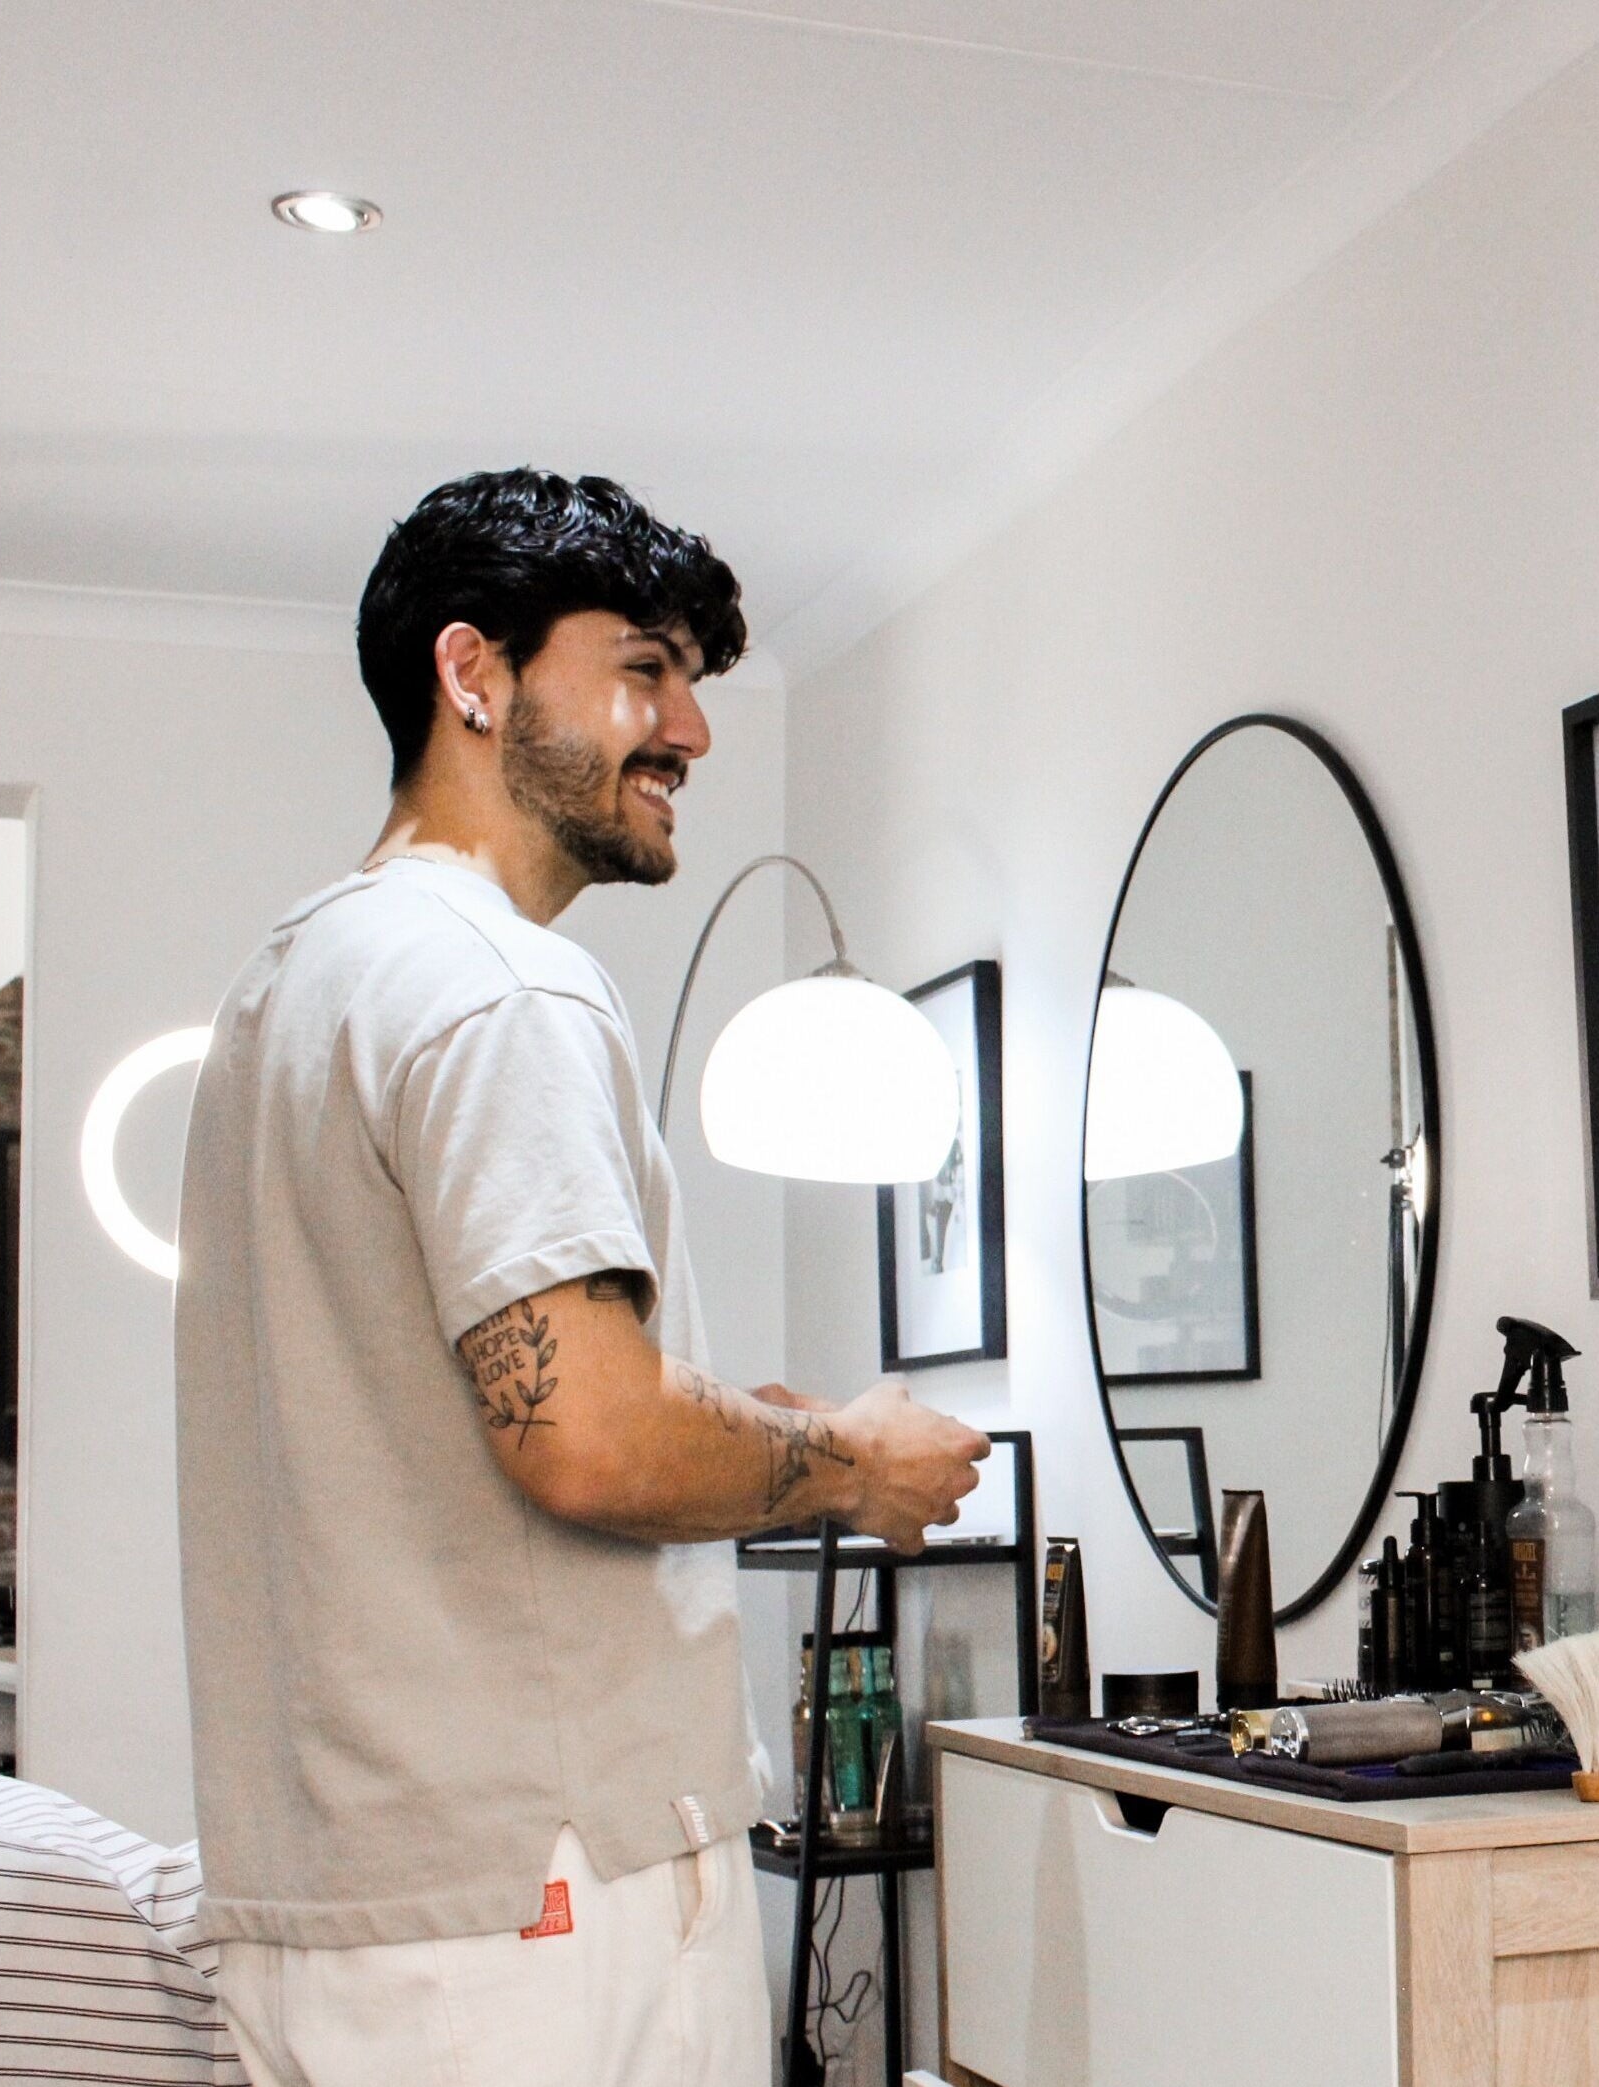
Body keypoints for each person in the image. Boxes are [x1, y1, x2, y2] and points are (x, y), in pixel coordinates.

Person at [172, 469, 993, 2085]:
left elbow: (434, 1408)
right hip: (537, 1903)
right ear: (470, 672)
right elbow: (588, 1436)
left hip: (329, 1904)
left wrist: (728, 1420)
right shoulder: (504, 986)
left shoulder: (293, 982)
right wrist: (849, 1461)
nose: (690, 729)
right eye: (643, 668)